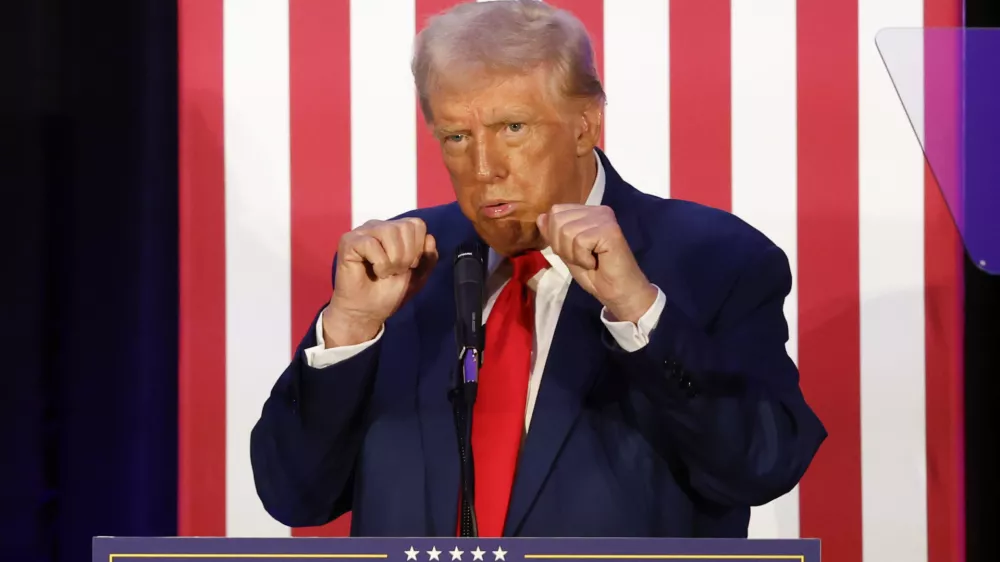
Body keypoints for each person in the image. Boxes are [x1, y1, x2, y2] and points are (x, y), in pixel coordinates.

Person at [250, 0, 826, 538]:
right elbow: (294, 495)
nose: (483, 167)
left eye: (513, 129)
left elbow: (762, 466)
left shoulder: (714, 259)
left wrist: (638, 312)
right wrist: (348, 329)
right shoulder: (398, 271)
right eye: (457, 136)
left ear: (586, 124)